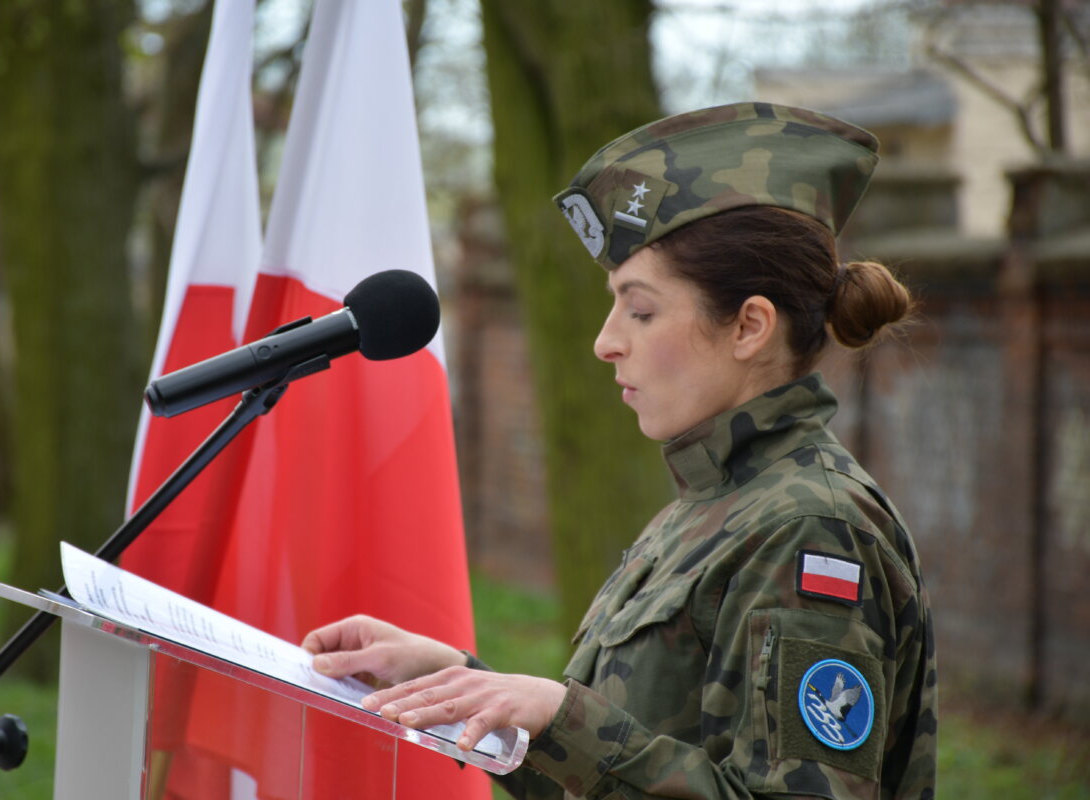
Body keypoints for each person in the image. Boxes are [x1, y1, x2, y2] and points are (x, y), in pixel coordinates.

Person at [303, 102, 938, 799]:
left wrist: (565, 719)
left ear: (749, 327)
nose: (606, 342)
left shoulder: (808, 528)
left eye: (640, 311)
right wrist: (460, 685)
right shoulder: (717, 503)